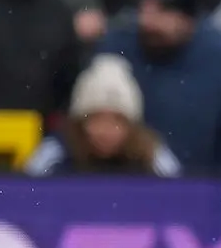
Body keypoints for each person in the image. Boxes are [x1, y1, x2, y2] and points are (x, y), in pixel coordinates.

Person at [97, 0, 221, 173]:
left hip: (202, 188)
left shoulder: (219, 58)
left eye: (163, 12)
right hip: (124, 183)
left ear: (188, 19)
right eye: (144, 10)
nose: (149, 22)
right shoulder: (117, 47)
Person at [25, 54, 181, 176]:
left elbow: (180, 196)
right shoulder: (56, 153)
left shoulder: (152, 155)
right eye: (96, 119)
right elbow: (26, 191)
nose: (105, 130)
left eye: (117, 120)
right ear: (81, 122)